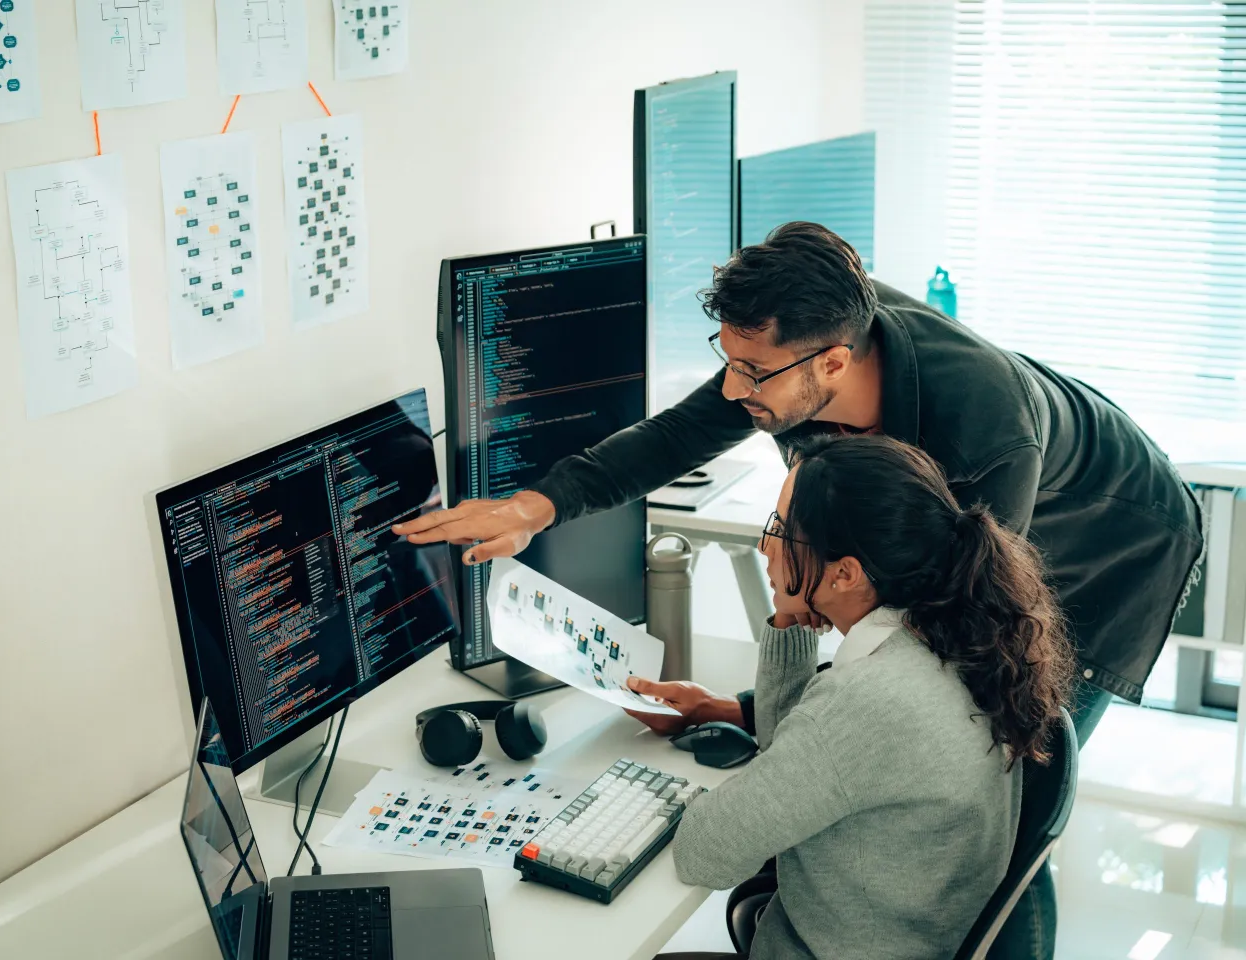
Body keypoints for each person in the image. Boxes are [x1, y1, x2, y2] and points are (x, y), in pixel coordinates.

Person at [395, 221, 1203, 956]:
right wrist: (532, 509)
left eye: (751, 371)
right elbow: (675, 434)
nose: (734, 387)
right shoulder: (799, 341)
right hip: (1007, 506)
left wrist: (780, 724)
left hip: (1113, 539)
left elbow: (933, 659)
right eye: (727, 359)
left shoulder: (984, 438)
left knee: (1005, 767)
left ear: (834, 364)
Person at [642, 433, 1074, 960]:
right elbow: (794, 757)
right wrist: (790, 616)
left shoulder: (869, 701)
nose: (764, 547)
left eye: (780, 531)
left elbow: (705, 854)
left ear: (845, 573)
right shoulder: (958, 640)